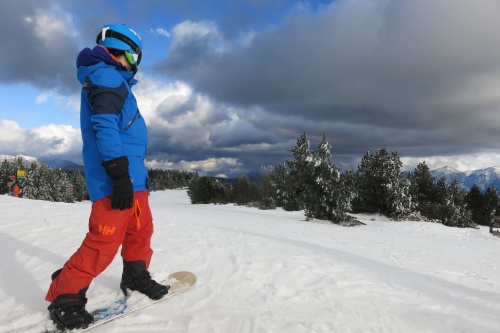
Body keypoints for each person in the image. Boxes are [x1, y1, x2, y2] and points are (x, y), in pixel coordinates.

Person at [45, 24, 169, 330]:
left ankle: (136, 277)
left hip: (133, 178)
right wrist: (117, 173)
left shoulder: (114, 78)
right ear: (126, 50)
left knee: (141, 231)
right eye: (136, 56)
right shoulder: (106, 75)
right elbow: (104, 125)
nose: (136, 63)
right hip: (115, 177)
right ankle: (66, 297)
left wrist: (131, 176)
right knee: (104, 240)